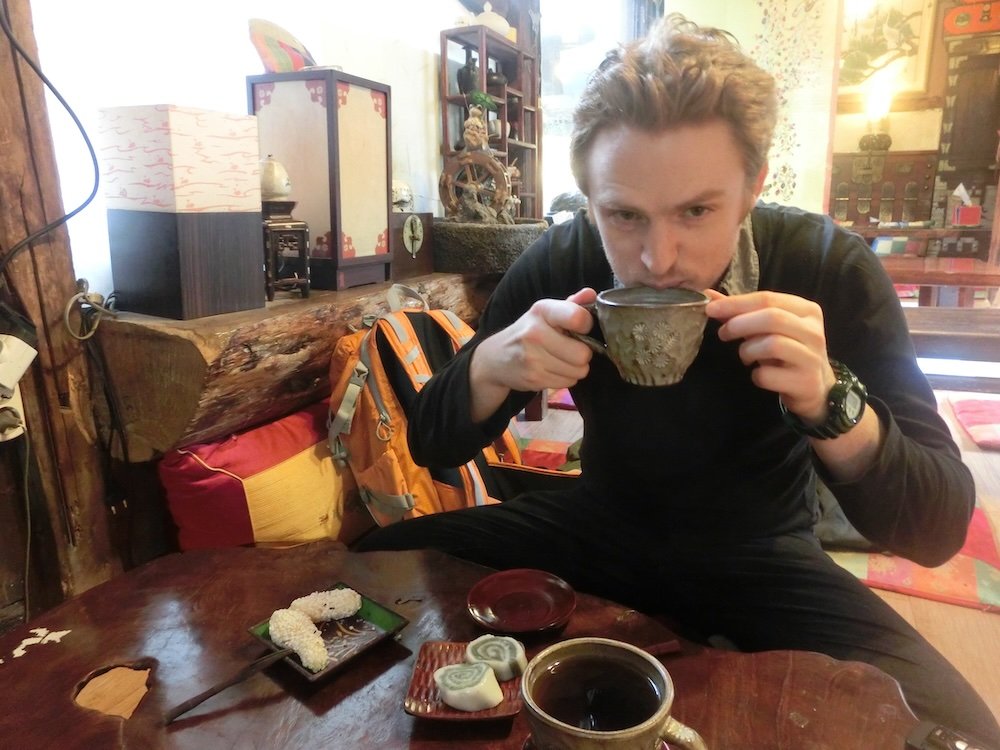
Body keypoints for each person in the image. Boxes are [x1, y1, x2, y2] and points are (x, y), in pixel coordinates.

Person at [356, 14, 1000, 745]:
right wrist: (490, 367)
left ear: (753, 185)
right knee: (374, 564)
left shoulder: (826, 265)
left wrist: (832, 403)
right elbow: (433, 440)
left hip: (759, 555)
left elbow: (937, 528)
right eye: (624, 214)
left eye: (697, 210)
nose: (659, 257)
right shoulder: (560, 262)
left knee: (958, 730)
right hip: (596, 528)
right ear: (589, 198)